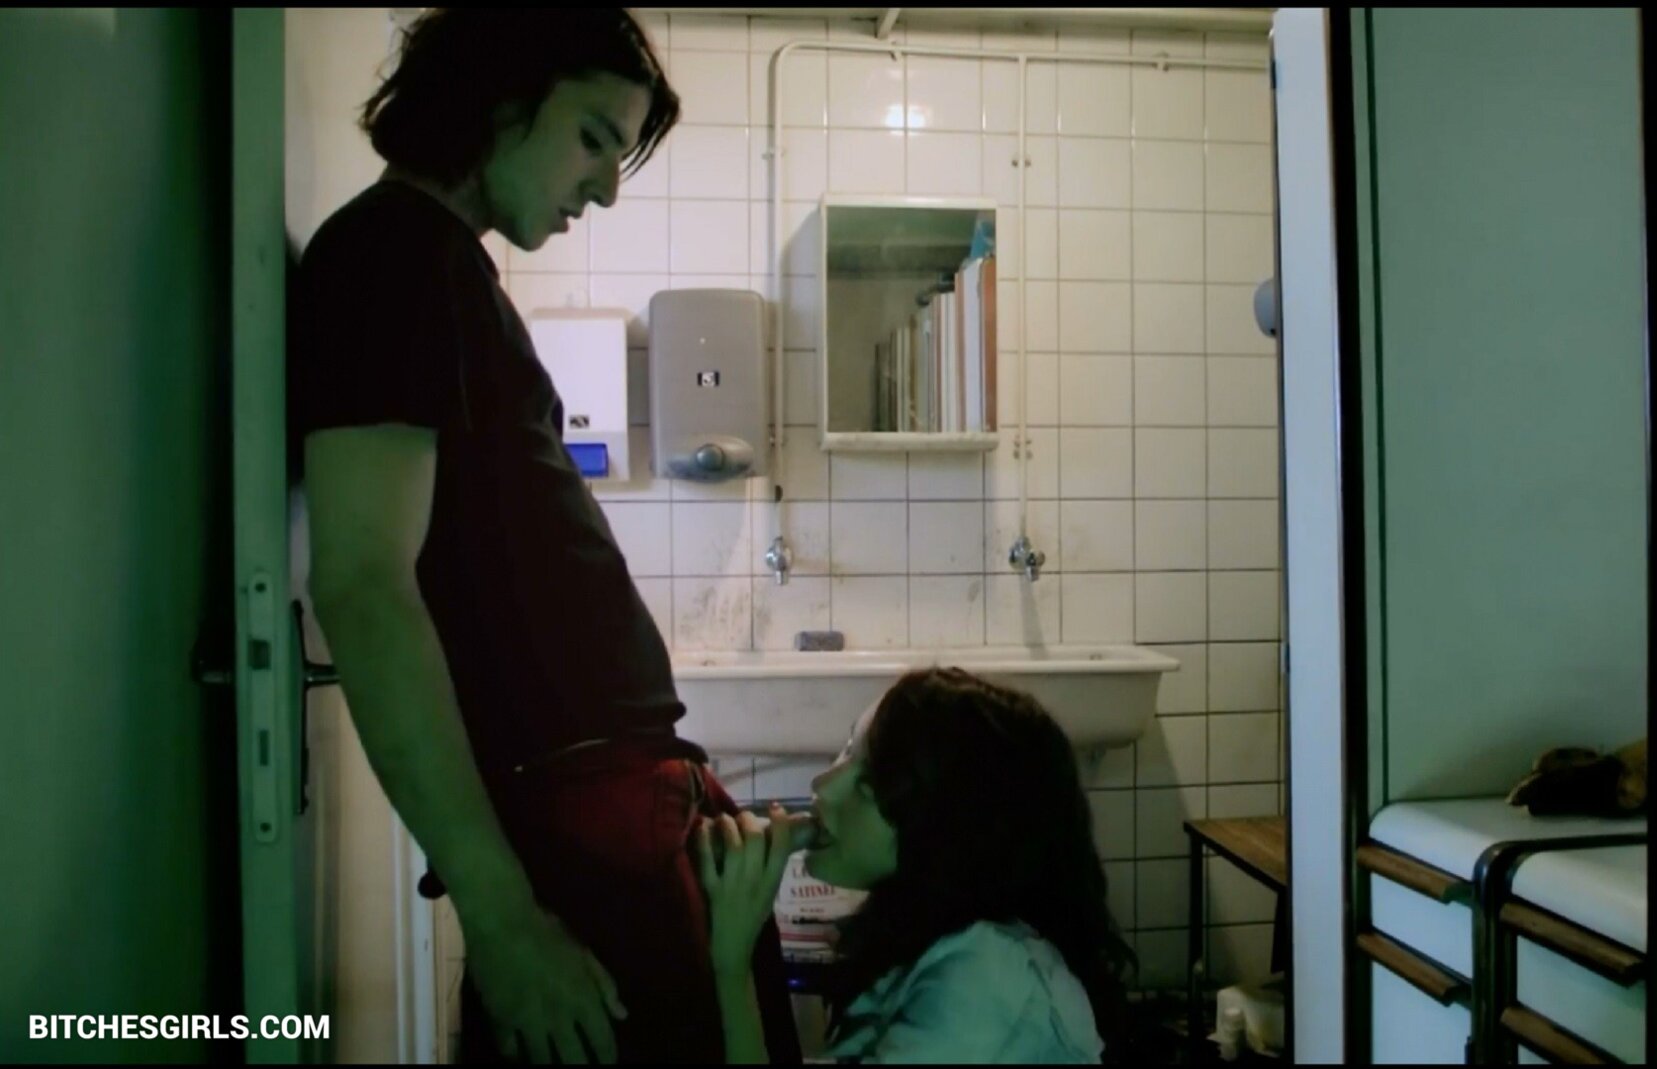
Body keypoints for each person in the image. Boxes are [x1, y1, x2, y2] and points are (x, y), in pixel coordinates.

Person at [290, 10, 797, 1063]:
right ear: (496, 96)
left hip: (608, 824)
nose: (605, 189)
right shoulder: (393, 256)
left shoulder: (440, 266)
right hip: (583, 839)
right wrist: (504, 917)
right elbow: (364, 587)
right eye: (592, 138)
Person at [695, 669, 1135, 1064]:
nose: (823, 786)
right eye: (846, 753)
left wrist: (732, 961)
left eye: (871, 779)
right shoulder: (935, 939)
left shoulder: (984, 981)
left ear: (953, 824)